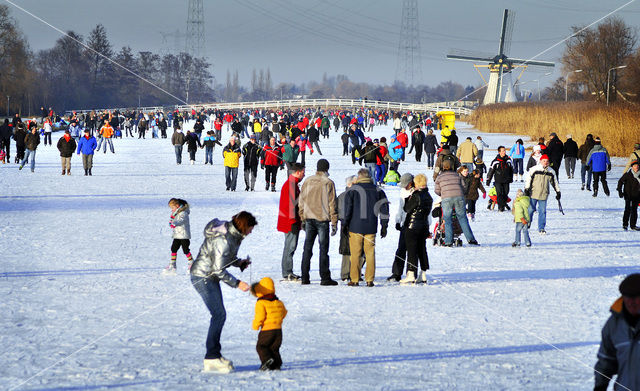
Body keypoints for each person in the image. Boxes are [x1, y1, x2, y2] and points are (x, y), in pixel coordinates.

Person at [191, 212, 254, 373]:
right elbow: (218, 269)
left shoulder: (232, 234)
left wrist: (239, 263)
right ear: (243, 226)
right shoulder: (225, 239)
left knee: (219, 314)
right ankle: (211, 357)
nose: (251, 232)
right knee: (219, 315)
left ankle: (214, 355)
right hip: (203, 276)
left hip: (209, 276)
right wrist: (238, 283)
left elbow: (226, 257)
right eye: (250, 228)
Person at [593, 273, 640, 391]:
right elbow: (606, 359)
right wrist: (600, 386)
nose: (630, 302)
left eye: (635, 297)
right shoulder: (614, 324)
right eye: (627, 297)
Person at [343, 169, 389, 287]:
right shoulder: (378, 190)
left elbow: (348, 209)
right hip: (371, 227)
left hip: (355, 227)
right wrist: (384, 225)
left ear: (358, 177)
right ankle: (369, 279)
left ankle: (354, 279)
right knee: (370, 253)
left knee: (355, 254)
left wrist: (345, 224)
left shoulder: (353, 190)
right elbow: (384, 209)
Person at [298, 159, 338, 286]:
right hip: (322, 219)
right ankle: (325, 277)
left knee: (307, 248)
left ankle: (305, 276)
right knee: (323, 249)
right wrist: (334, 222)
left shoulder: (308, 181)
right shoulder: (328, 183)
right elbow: (332, 204)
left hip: (309, 218)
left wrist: (302, 217)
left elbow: (301, 201)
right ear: (327, 169)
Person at [434, 159, 479, 246]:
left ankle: (448, 241)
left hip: (446, 198)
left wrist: (443, 193)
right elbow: (464, 186)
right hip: (459, 197)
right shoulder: (457, 175)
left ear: (443, 167)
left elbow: (437, 191)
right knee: (462, 218)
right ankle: (471, 239)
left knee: (447, 219)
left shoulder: (439, 177)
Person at [401, 174, 433, 284]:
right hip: (424, 226)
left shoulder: (416, 195)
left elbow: (407, 209)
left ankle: (411, 273)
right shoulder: (428, 196)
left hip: (412, 226)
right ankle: (423, 273)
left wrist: (407, 199)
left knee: (412, 250)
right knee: (422, 250)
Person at [251, 277, 287, 371]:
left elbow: (260, 316)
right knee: (274, 348)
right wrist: (278, 321)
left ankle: (266, 361)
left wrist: (256, 325)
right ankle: (276, 365)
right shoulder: (278, 302)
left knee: (261, 346)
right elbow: (284, 312)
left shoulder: (261, 303)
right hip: (278, 330)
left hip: (267, 330)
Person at [277, 163, 305, 281]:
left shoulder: (292, 184)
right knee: (290, 247)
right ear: (297, 172)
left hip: (289, 221)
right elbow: (291, 205)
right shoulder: (291, 185)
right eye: (303, 172)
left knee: (290, 246)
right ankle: (287, 272)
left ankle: (288, 271)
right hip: (290, 222)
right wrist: (293, 221)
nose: (304, 175)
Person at [524, 154, 560, 235]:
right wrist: (526, 189)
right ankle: (527, 223)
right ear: (540, 161)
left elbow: (554, 182)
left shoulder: (551, 171)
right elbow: (528, 179)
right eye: (544, 161)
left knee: (542, 211)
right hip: (533, 193)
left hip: (544, 194)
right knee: (530, 210)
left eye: (547, 161)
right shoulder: (534, 169)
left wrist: (558, 191)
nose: (545, 162)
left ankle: (541, 228)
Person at [388, 173, 414, 282]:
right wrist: (398, 220)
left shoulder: (416, 192)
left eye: (405, 185)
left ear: (411, 183)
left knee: (413, 251)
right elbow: (400, 208)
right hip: (404, 224)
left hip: (414, 224)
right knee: (401, 249)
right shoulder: (403, 192)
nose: (404, 187)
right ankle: (396, 273)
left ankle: (412, 273)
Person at [338, 175, 361, 281]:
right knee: (350, 250)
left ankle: (348, 273)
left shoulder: (342, 195)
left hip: (346, 224)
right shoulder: (348, 196)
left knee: (348, 250)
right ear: (350, 184)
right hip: (350, 224)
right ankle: (349, 273)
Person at [164, 198, 194, 274]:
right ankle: (172, 264)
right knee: (173, 248)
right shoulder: (176, 213)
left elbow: (181, 220)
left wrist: (175, 223)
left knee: (185, 249)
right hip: (177, 235)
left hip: (184, 235)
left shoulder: (183, 213)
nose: (172, 209)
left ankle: (191, 262)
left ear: (177, 206)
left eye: (172, 207)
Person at [486, 146, 514, 212]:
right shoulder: (495, 161)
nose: (504, 152)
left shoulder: (509, 160)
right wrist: (488, 180)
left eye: (504, 151)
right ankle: (500, 208)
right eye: (502, 151)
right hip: (498, 180)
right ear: (499, 152)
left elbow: (512, 170)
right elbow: (491, 171)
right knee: (499, 194)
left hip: (506, 180)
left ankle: (503, 205)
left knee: (506, 193)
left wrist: (511, 178)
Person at [617, 160, 640, 231]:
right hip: (628, 195)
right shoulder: (628, 174)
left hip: (637, 195)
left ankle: (633, 225)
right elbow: (620, 181)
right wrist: (620, 191)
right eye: (634, 166)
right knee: (627, 209)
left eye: (637, 165)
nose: (636, 167)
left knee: (634, 210)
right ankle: (625, 224)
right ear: (632, 167)